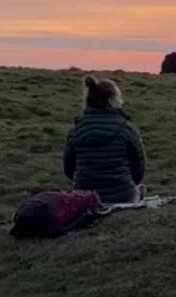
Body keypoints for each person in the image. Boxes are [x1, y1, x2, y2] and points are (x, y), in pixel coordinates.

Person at [62, 75, 146, 204]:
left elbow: (68, 169)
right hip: (122, 195)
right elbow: (138, 168)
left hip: (85, 197)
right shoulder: (127, 129)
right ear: (111, 99)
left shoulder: (76, 130)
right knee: (140, 190)